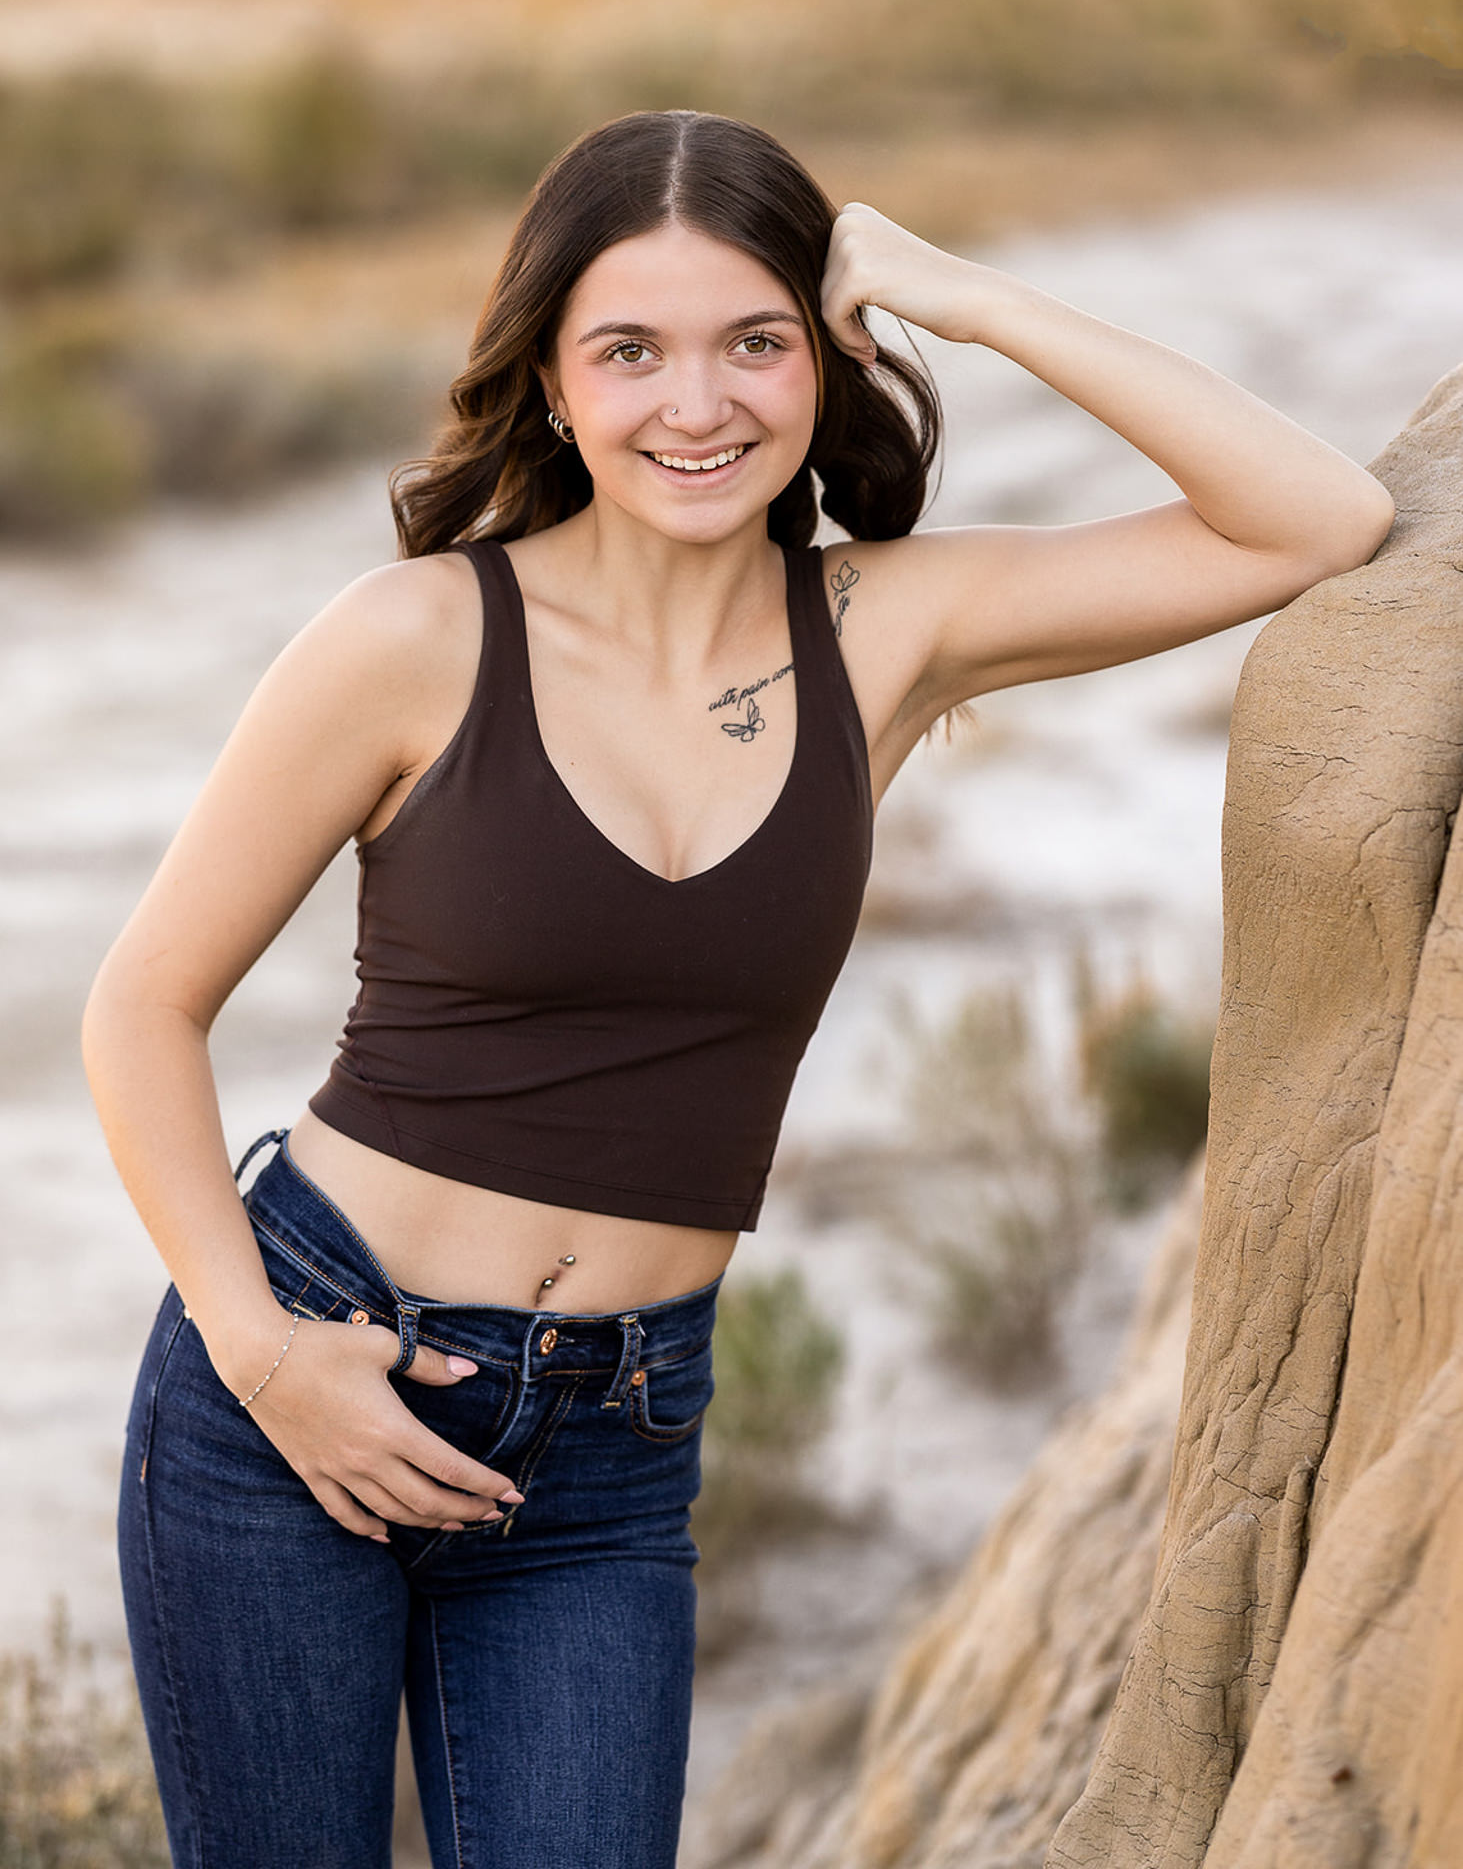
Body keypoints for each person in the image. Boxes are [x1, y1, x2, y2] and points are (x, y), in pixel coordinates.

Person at [81, 108, 1394, 1869]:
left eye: (754, 343)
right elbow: (141, 1004)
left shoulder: (883, 633)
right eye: (630, 350)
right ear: (551, 381)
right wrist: (262, 1352)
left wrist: (959, 292)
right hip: (303, 1375)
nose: (697, 407)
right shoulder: (410, 642)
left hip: (612, 1453)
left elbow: (1316, 519)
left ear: (822, 359)